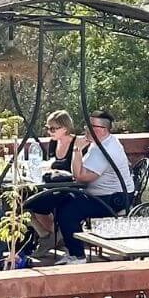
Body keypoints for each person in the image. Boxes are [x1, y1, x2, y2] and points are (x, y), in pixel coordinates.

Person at [54, 112, 136, 264]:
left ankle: (77, 256)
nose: (86, 129)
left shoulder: (106, 149)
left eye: (90, 126)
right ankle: (69, 249)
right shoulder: (100, 143)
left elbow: (80, 176)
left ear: (102, 129)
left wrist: (76, 149)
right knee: (61, 199)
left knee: (67, 208)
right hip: (101, 194)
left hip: (113, 199)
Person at [25, 110, 80, 242]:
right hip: (51, 184)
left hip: (70, 187)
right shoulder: (53, 143)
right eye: (48, 128)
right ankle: (52, 234)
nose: (49, 132)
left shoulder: (77, 144)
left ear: (65, 128)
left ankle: (53, 236)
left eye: (53, 129)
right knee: (25, 199)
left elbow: (77, 170)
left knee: (37, 202)